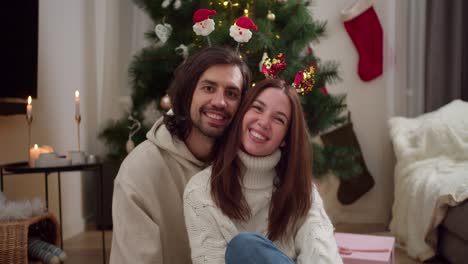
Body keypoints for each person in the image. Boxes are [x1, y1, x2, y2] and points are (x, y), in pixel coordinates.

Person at [110, 46, 251, 264]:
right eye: (208, 88)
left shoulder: (245, 164)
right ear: (187, 94)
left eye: (231, 93)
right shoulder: (140, 170)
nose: (220, 102)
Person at [184, 78, 342, 263]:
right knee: (244, 247)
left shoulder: (302, 192)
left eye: (278, 119)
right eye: (258, 108)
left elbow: (324, 258)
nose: (264, 122)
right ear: (242, 114)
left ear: (285, 138)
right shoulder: (200, 191)